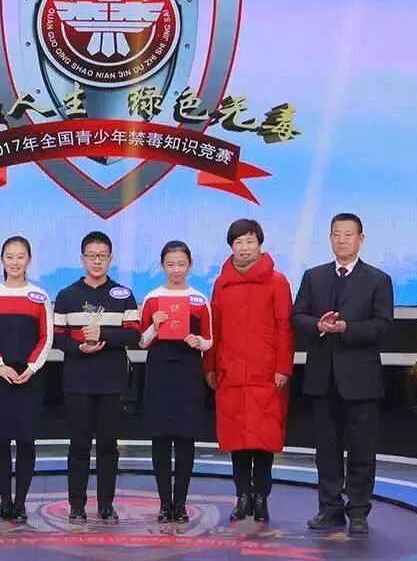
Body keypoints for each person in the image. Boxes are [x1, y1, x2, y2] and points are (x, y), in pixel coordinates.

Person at [292, 213, 393, 535]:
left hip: (361, 378)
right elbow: (297, 317)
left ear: (361, 239)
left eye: (348, 234)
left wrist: (347, 328)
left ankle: (359, 511)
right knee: (327, 450)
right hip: (322, 378)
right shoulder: (314, 276)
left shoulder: (378, 279)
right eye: (337, 234)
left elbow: (383, 325)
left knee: (362, 449)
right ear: (330, 238)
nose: (342, 240)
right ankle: (329, 509)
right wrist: (319, 325)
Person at [203, 219, 293, 523]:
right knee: (236, 439)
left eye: (249, 241)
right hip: (230, 372)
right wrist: (210, 365)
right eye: (238, 242)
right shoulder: (221, 283)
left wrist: (283, 367)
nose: (244, 248)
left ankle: (261, 497)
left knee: (264, 438)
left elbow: (285, 328)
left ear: (259, 244)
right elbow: (214, 326)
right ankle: (242, 496)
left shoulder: (277, 281)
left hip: (265, 373)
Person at [53, 231, 141, 522]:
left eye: (102, 256)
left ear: (110, 258)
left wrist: (104, 335)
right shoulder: (66, 296)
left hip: (112, 383)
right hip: (77, 383)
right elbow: (57, 337)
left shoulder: (123, 295)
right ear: (82, 258)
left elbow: (134, 335)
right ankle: (76, 505)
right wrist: (78, 347)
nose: (97, 261)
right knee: (78, 447)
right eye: (91, 256)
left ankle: (106, 504)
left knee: (108, 448)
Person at [0, 236, 53, 523]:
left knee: (26, 441)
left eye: (21, 257)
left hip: (30, 379)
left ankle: (20, 503)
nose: (15, 262)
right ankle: (4, 501)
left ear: (28, 260)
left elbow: (46, 337)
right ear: (2, 260)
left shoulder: (39, 296)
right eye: (10, 256)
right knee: (0, 441)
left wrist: (31, 368)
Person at [139, 241, 212, 523]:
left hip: (188, 371)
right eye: (170, 264)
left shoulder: (199, 299)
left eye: (181, 264)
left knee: (185, 438)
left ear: (190, 265)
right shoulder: (152, 298)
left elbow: (210, 340)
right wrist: (154, 327)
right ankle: (163, 503)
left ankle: (180, 503)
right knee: (160, 437)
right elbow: (141, 342)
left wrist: (198, 341)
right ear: (162, 266)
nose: (176, 270)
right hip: (159, 371)